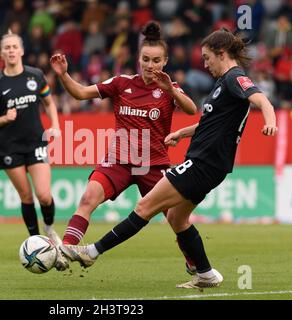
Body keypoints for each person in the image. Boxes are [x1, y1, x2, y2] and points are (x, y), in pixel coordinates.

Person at [60, 28, 278, 289]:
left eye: (207, 58)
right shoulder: (222, 82)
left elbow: (261, 99)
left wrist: (271, 122)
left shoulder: (233, 78)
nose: (205, 64)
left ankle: (92, 252)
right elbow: (209, 123)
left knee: (145, 208)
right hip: (191, 163)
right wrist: (182, 133)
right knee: (176, 218)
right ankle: (206, 274)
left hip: (195, 163)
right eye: (145, 59)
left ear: (221, 54)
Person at [50, 21, 198, 272]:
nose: (150, 65)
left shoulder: (169, 88)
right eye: (146, 59)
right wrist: (63, 75)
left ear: (165, 62)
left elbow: (192, 109)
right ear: (139, 59)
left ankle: (195, 263)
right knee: (88, 199)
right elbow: (80, 94)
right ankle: (65, 250)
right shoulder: (121, 83)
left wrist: (170, 90)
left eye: (156, 60)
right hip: (119, 160)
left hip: (154, 164)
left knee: (175, 217)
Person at [0, 30, 64, 266]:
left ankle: (49, 229)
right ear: (1, 53)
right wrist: (4, 118)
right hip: (9, 147)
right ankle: (37, 243)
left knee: (44, 194)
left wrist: (56, 126)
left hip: (35, 141)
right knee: (26, 196)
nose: (10, 50)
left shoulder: (36, 76)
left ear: (21, 50)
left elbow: (49, 103)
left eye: (14, 47)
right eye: (6, 47)